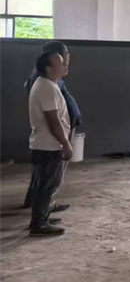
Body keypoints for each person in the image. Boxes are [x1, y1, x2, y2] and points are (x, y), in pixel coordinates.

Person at [22, 41, 80, 212]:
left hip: (53, 137)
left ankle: (40, 207)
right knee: (48, 181)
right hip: (51, 139)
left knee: (45, 178)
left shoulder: (49, 80)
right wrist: (65, 143)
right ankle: (40, 216)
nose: (68, 58)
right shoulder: (46, 83)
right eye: (65, 54)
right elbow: (52, 118)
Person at [28, 51, 73, 236]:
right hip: (48, 146)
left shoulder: (46, 84)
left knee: (43, 185)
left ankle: (41, 217)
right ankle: (39, 224)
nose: (65, 66)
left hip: (44, 144)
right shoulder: (47, 88)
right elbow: (53, 121)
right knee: (47, 186)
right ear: (48, 68)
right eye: (60, 63)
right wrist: (66, 144)